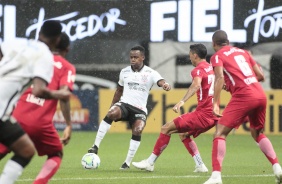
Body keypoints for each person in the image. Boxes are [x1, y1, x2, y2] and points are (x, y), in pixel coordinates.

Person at [203, 30, 282, 184]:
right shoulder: (243, 52)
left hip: (244, 96)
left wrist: (215, 104)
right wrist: (234, 82)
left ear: (214, 44)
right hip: (260, 94)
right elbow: (261, 76)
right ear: (228, 41)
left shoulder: (217, 56)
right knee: (257, 133)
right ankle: (277, 168)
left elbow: (219, 78)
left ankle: (216, 176)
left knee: (219, 133)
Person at [0, 20, 71, 184]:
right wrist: (60, 94)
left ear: (39, 32)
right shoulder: (45, 55)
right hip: (2, 108)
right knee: (26, 151)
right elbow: (38, 90)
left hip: (8, 112)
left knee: (24, 149)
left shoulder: (18, 42)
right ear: (58, 39)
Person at [132, 44, 218, 172]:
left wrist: (182, 101)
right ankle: (200, 165)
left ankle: (150, 163)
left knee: (166, 128)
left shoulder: (198, 70)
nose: (190, 59)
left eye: (190, 56)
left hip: (203, 115)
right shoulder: (212, 68)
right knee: (184, 134)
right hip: (212, 116)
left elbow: (195, 85)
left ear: (195, 55)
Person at [87, 45, 171, 169]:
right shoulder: (124, 72)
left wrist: (165, 85)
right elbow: (119, 91)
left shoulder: (150, 72)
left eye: (136, 57)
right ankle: (95, 146)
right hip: (125, 105)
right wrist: (112, 106)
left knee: (137, 130)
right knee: (111, 113)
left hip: (140, 109)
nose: (133, 59)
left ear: (143, 57)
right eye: (131, 57)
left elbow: (160, 81)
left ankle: (126, 163)